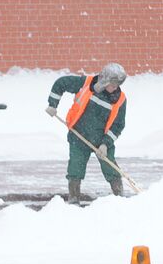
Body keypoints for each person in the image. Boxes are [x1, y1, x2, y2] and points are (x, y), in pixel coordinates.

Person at [45, 63, 129, 201]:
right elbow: (61, 83)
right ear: (104, 80)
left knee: (111, 169)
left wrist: (105, 144)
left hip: (101, 141)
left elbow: (118, 125)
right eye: (113, 84)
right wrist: (52, 104)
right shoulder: (85, 83)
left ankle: (119, 197)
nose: (115, 88)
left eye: (117, 85)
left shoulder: (120, 99)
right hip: (78, 137)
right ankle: (73, 199)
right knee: (75, 169)